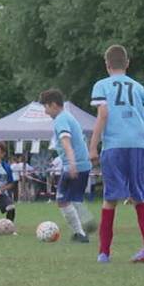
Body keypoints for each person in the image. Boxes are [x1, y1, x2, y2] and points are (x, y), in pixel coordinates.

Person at [87, 44, 144, 264]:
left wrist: (93, 146)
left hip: (114, 145)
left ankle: (104, 252)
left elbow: (103, 113)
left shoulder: (102, 85)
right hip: (137, 144)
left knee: (110, 198)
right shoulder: (138, 87)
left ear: (106, 64)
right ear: (127, 64)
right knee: (138, 194)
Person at [40, 89, 92, 243]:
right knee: (75, 199)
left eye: (46, 107)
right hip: (83, 164)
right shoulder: (69, 116)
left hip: (73, 165)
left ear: (54, 105)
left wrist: (72, 164)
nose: (45, 111)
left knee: (62, 200)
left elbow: (66, 142)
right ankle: (86, 222)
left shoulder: (61, 119)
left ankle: (80, 233)